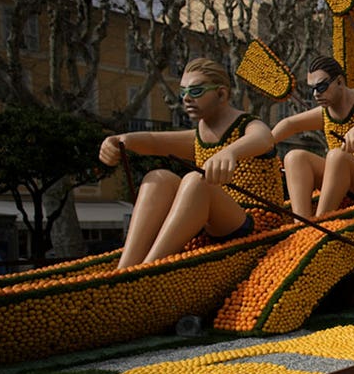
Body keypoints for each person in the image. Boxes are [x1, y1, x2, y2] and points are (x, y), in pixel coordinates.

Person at [100, 58, 284, 270]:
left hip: (257, 222)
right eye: (183, 92)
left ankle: (149, 269)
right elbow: (153, 141)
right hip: (211, 225)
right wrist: (121, 140)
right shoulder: (200, 136)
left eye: (196, 91)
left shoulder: (247, 125)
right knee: (158, 178)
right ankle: (125, 267)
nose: (186, 98)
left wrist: (230, 152)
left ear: (222, 94)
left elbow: (264, 138)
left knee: (197, 180)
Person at [272, 56, 354, 219]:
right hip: (340, 179)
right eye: (313, 89)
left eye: (322, 86)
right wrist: (261, 145)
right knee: (294, 157)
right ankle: (302, 223)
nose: (316, 94)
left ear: (339, 82)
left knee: (337, 156)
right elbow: (290, 124)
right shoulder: (326, 112)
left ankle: (321, 221)